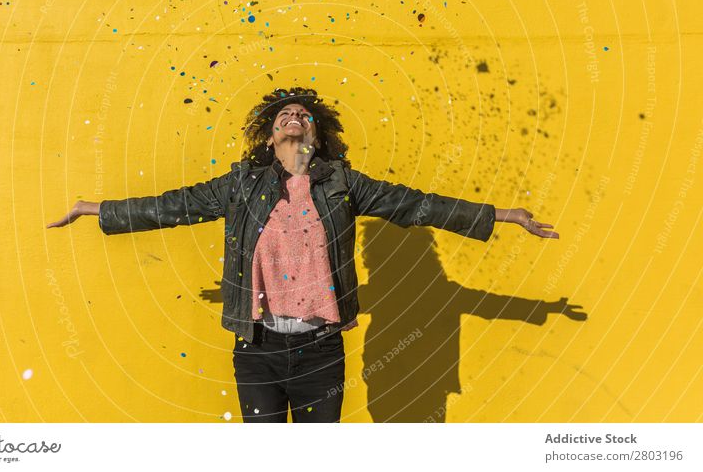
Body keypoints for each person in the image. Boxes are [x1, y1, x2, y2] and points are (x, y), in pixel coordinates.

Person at [47, 86, 561, 423]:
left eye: (304, 116)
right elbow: (174, 206)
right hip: (258, 349)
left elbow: (416, 205)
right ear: (270, 137)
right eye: (284, 116)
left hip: (320, 351)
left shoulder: (342, 183)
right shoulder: (242, 186)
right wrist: (96, 209)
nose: (294, 119)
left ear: (317, 135)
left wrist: (499, 215)